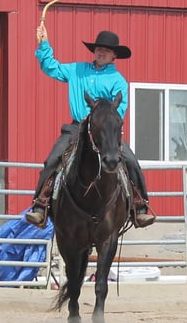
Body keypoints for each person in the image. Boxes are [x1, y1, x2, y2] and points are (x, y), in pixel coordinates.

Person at [24, 25, 156, 229]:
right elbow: (51, 67)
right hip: (77, 127)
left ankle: (139, 207)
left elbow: (118, 112)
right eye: (98, 49)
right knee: (53, 159)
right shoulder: (77, 70)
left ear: (114, 56)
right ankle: (40, 205)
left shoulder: (118, 81)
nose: (101, 52)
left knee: (130, 161)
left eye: (106, 50)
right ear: (94, 52)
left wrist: (104, 126)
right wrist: (43, 44)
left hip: (106, 132)